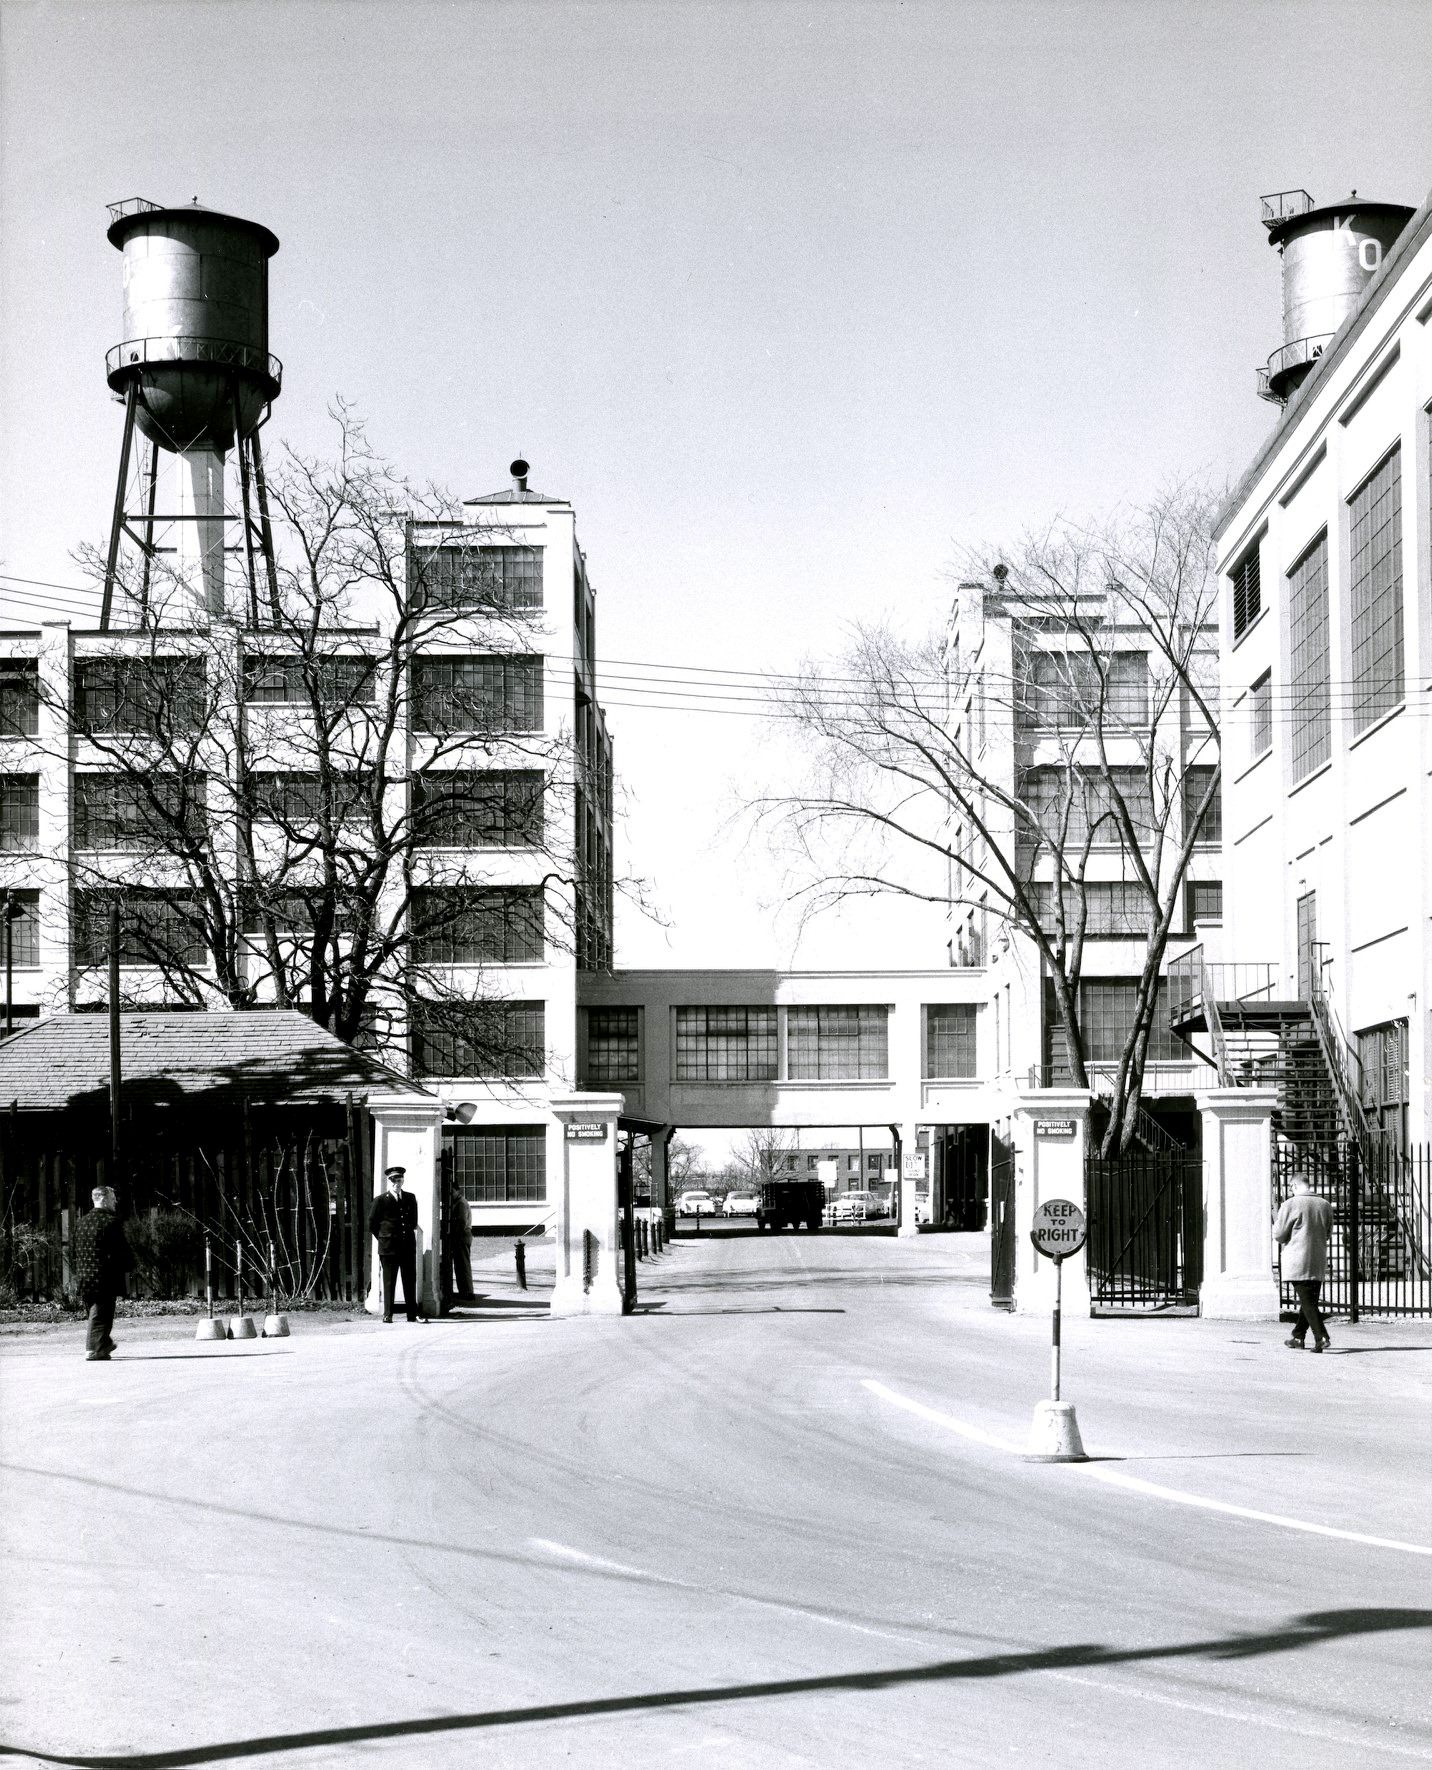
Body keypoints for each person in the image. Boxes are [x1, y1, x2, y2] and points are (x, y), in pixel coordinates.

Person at [1273, 1170, 1334, 1352]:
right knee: (1309, 1301)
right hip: (1318, 1258)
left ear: (1293, 1186)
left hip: (1297, 1259)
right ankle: (1298, 1337)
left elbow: (1279, 1235)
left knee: (1307, 1302)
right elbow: (1329, 1233)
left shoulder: (1290, 1204)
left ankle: (1321, 1336)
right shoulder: (1325, 1204)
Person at [72, 1185, 129, 1362]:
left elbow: (75, 1250)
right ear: (103, 1199)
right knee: (101, 1313)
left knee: (95, 1312)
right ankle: (93, 1349)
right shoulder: (111, 1222)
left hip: (84, 1276)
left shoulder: (81, 1222)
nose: (116, 1201)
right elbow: (121, 1250)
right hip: (104, 1276)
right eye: (113, 1199)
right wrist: (130, 1264)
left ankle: (103, 1344)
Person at [369, 1165, 425, 1324]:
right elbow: (372, 1223)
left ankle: (411, 1314)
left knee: (409, 1280)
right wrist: (383, 1238)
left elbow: (413, 1221)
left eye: (399, 1179)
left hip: (407, 1246)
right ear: (389, 1181)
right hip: (388, 1248)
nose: (397, 1183)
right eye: (393, 1180)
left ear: (403, 1180)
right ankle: (388, 1314)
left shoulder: (410, 1198)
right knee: (388, 1281)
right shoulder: (380, 1200)